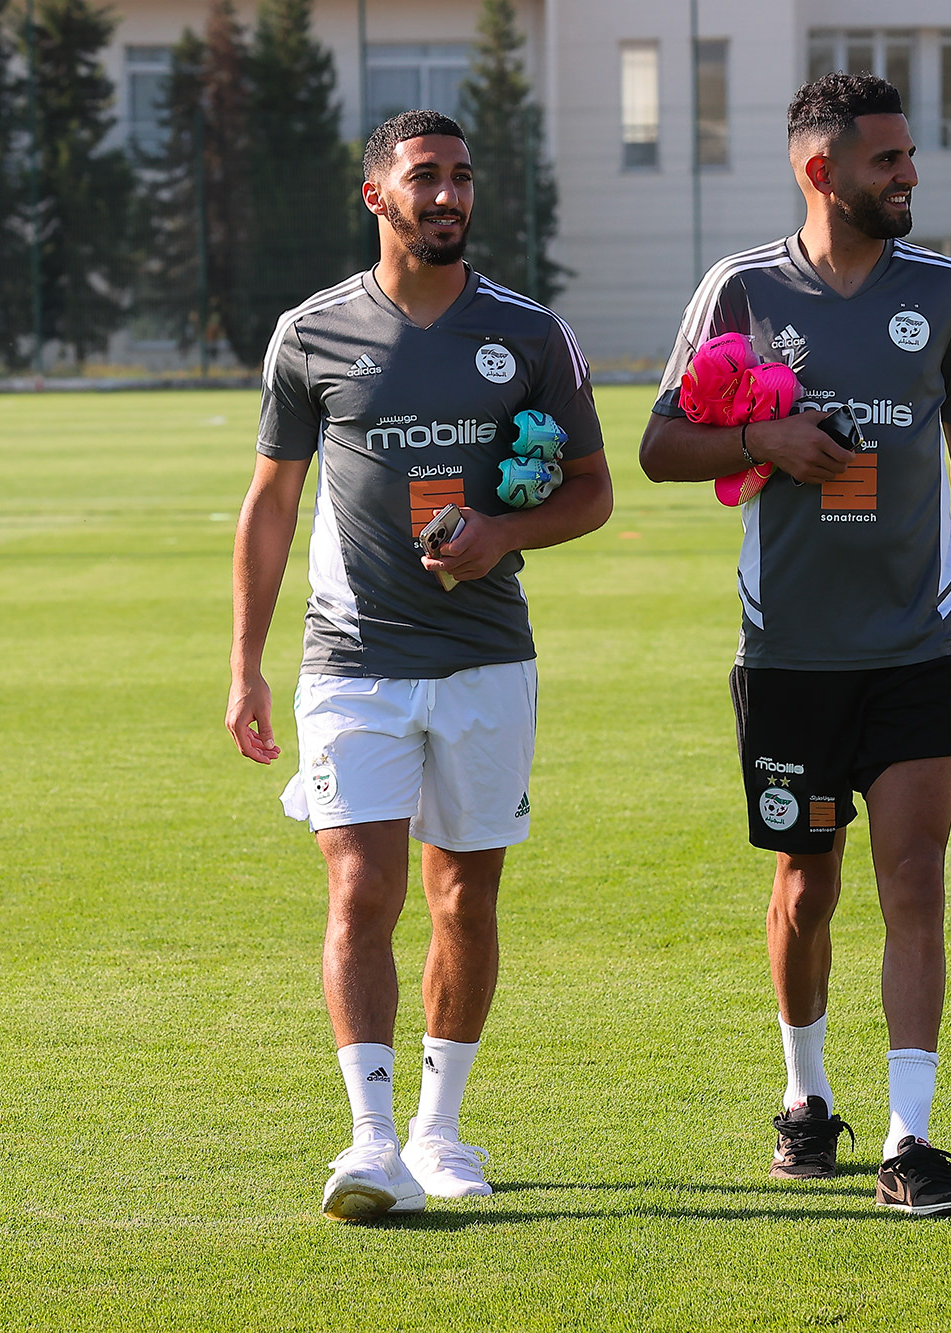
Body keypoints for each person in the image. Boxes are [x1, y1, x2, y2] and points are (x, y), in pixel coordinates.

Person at [638, 74, 951, 1217]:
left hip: (919, 646)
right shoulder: (738, 288)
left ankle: (910, 1141)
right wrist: (767, 436)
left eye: (908, 158)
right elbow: (658, 446)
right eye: (885, 161)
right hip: (790, 655)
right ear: (821, 170)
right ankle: (805, 1100)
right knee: (806, 887)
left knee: (915, 877)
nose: (907, 176)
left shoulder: (943, 293)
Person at [226, 110, 611, 1221]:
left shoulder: (529, 334)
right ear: (376, 197)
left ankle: (443, 1131)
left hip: (486, 657)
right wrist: (244, 666)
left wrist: (500, 532)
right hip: (349, 658)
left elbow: (590, 491)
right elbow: (270, 503)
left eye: (461, 179)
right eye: (424, 179)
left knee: (465, 896)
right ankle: (369, 1139)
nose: (447, 196)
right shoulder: (311, 333)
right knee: (361, 888)